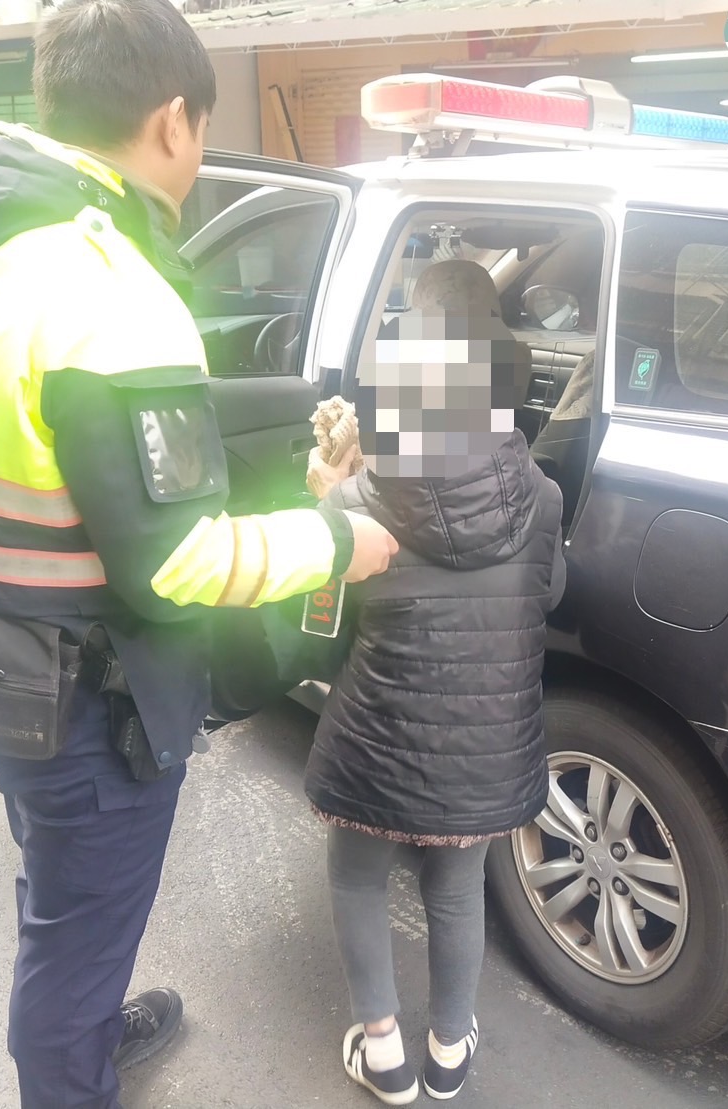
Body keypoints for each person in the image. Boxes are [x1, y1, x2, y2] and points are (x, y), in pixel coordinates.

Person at [0, 1, 397, 1105]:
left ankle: (80, 1025)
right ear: (173, 120)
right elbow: (174, 566)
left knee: (61, 885)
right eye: (202, 133)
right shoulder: (107, 292)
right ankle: (70, 1059)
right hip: (84, 703)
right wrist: (338, 538)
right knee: (75, 926)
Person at [304, 259, 566, 1104]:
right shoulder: (542, 493)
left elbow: (319, 616)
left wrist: (326, 499)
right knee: (456, 889)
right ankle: (450, 1050)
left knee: (356, 875)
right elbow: (547, 594)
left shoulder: (361, 494)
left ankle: (383, 1053)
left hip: (377, 735)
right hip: (487, 739)